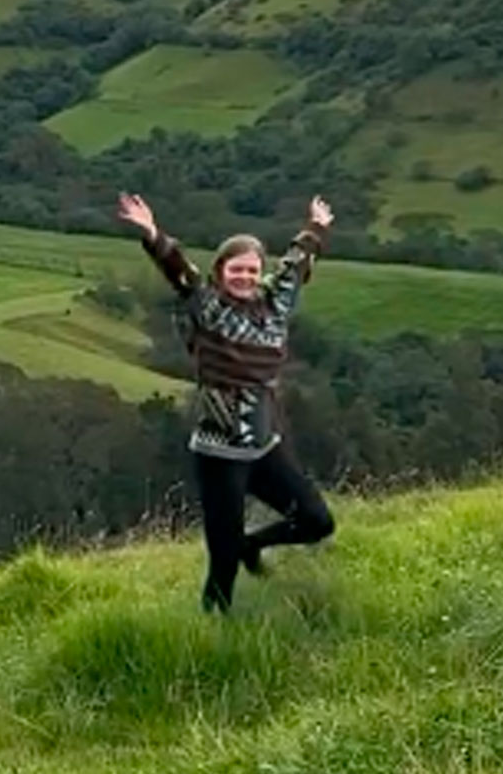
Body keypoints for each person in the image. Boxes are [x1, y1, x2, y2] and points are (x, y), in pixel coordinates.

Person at [116, 191, 337, 615]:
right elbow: (181, 273)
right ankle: (215, 636)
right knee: (222, 562)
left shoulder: (276, 305)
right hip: (219, 451)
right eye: (236, 269)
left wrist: (315, 227)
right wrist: (152, 234)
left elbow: (295, 267)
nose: (245, 276)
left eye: (252, 270)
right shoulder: (210, 307)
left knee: (316, 521)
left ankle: (253, 545)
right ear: (221, 271)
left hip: (265, 445)